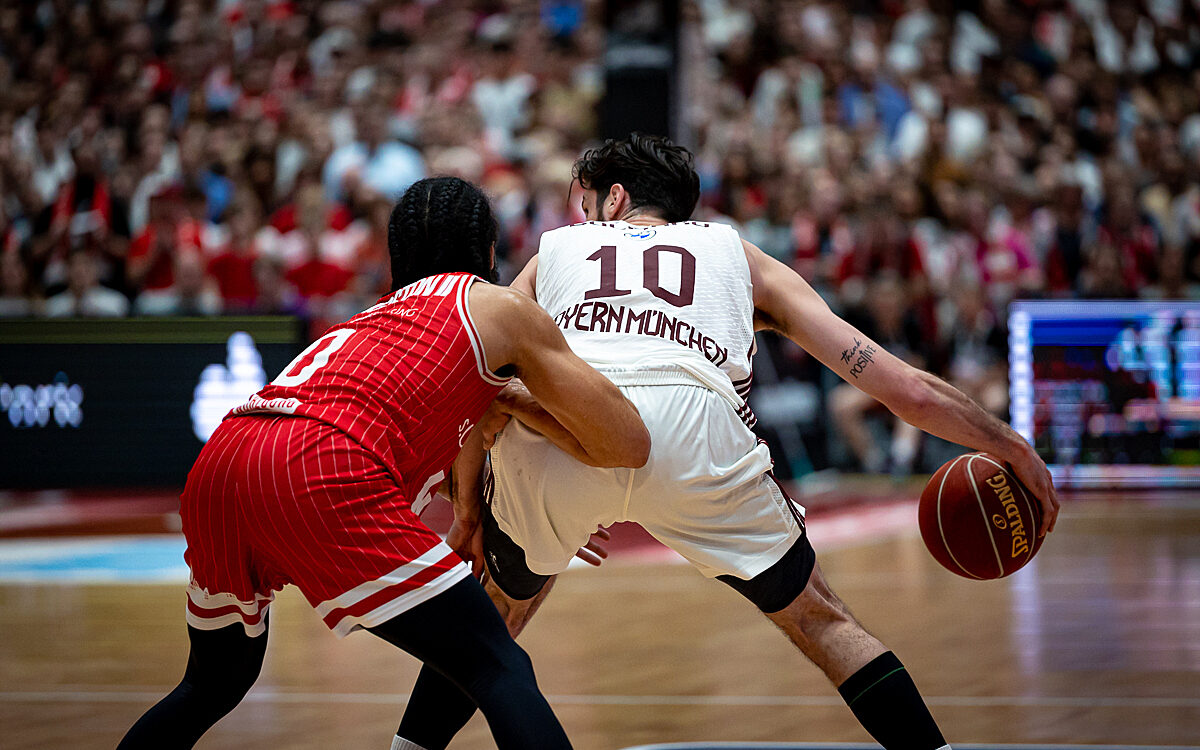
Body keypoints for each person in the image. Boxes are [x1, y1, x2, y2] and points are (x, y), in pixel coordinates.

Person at [392, 135, 1060, 750]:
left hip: (567, 429)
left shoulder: (557, 249)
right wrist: (1012, 445)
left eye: (585, 197)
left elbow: (480, 381)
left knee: (493, 618)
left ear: (613, 199)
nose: (581, 209)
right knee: (820, 620)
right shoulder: (736, 254)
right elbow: (900, 389)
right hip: (696, 434)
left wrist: (478, 512)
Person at [116, 176, 651, 750]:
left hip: (224, 461)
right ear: (489, 249)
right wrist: (545, 445)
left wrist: (475, 499)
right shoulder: (498, 308)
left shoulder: (369, 323)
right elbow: (628, 443)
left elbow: (410, 433)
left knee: (211, 682)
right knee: (499, 666)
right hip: (320, 466)